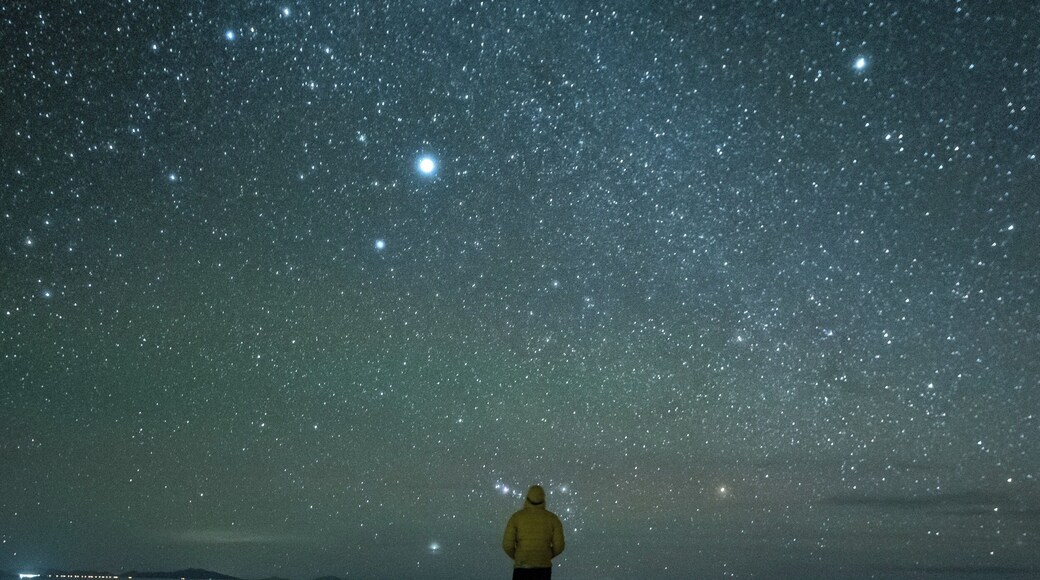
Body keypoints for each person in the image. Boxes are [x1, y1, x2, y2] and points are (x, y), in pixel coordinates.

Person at [502, 484, 565, 579]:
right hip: (543, 569)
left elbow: (507, 545)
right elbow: (559, 546)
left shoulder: (516, 518)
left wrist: (519, 557)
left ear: (527, 499)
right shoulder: (553, 519)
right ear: (543, 499)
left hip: (521, 568)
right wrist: (546, 555)